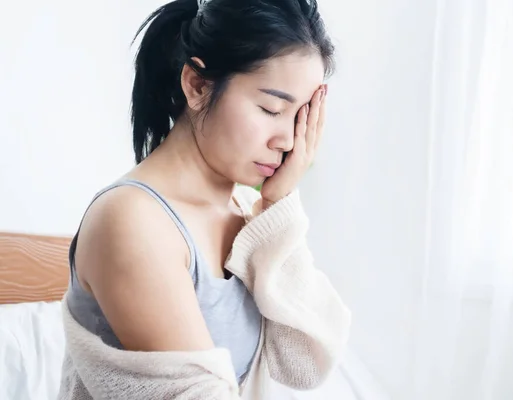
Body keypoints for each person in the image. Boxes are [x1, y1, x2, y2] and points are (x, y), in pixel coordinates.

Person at [57, 0, 351, 399]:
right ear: (197, 85)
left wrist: (278, 206)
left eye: (300, 116)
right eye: (272, 108)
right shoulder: (131, 220)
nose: (287, 141)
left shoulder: (247, 215)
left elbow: (306, 363)